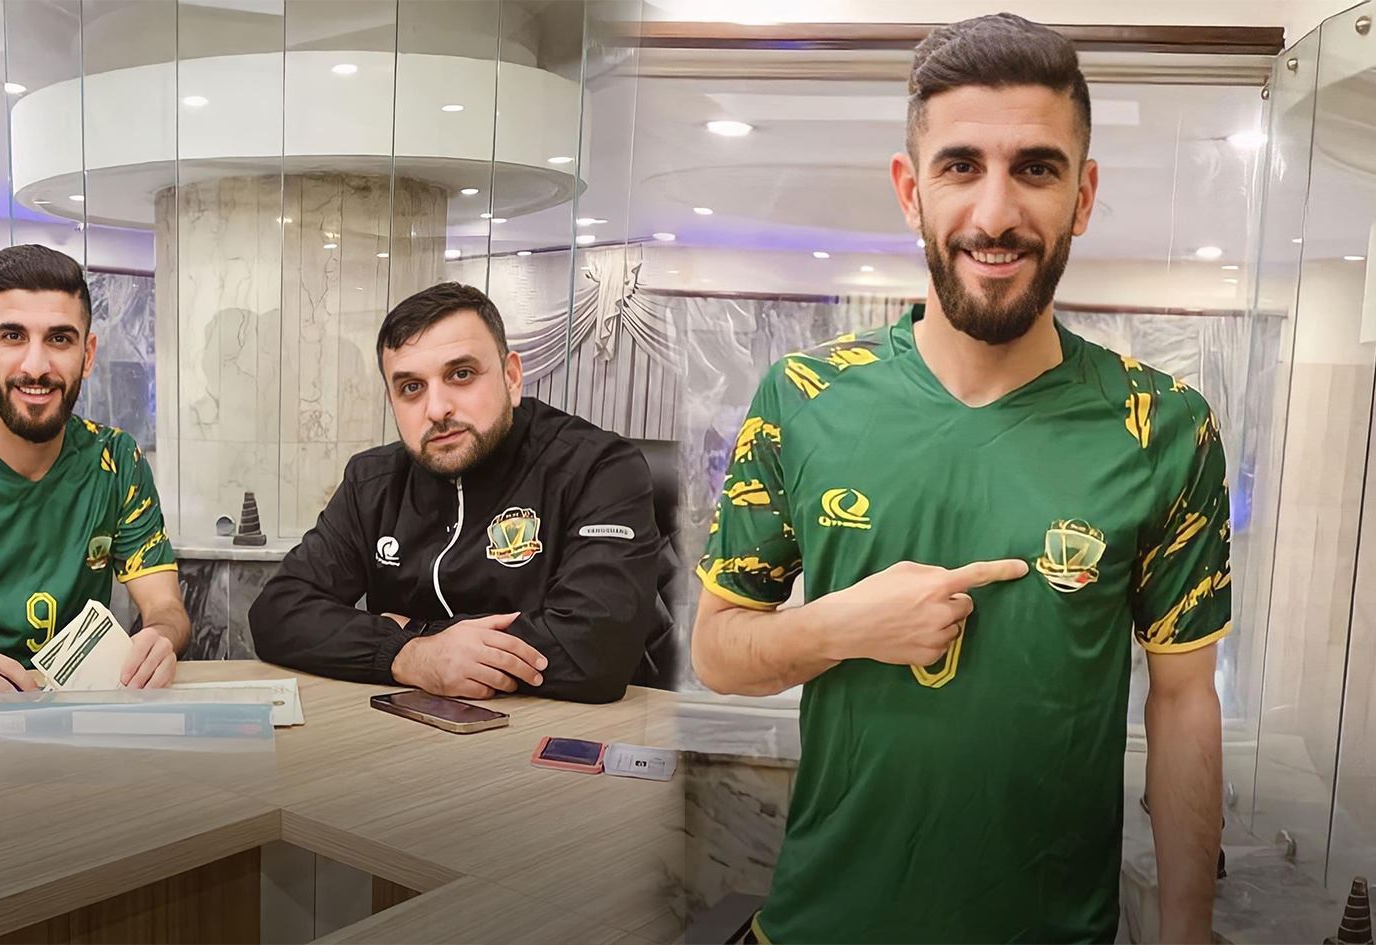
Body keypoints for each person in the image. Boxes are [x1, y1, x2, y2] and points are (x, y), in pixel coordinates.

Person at [693, 14, 1228, 945]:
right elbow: (716, 651)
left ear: (1083, 195)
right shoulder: (804, 398)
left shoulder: (1165, 427)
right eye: (960, 166)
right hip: (822, 925)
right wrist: (844, 626)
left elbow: (1184, 700)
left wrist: (1186, 932)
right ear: (912, 191)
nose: (994, 214)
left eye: (1036, 168)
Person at [250, 282, 670, 704]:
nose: (437, 409)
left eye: (461, 374)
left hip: (559, 731)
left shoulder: (598, 468)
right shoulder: (372, 481)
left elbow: (595, 651)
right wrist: (412, 656)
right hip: (405, 725)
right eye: (411, 387)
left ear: (511, 377)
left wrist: (412, 631)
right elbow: (278, 612)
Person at [0, 245, 188, 715]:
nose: (36, 366)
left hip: (73, 721)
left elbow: (167, 607)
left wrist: (160, 637)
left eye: (60, 339)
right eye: (13, 336)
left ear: (87, 354)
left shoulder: (116, 460)